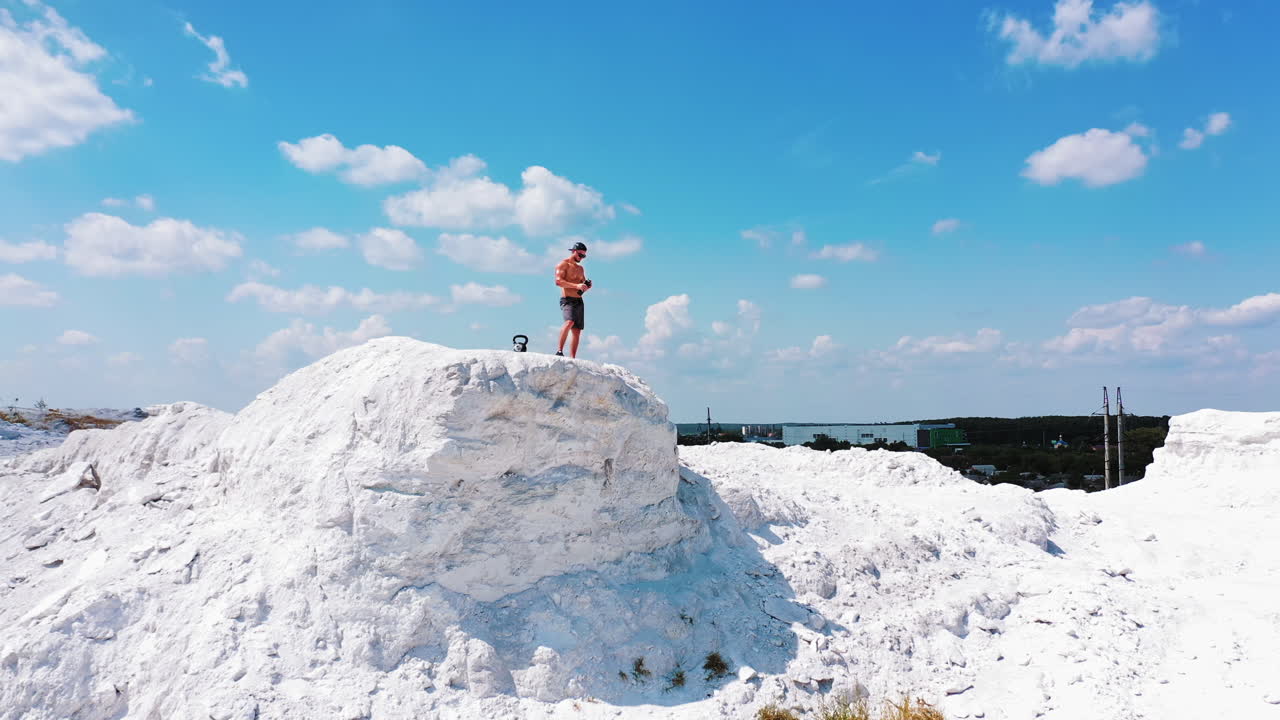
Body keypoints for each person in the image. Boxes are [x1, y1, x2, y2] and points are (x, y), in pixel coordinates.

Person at [554, 241, 591, 357]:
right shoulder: (563, 264)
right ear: (573, 251)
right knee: (569, 322)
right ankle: (559, 351)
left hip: (579, 300)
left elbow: (582, 284)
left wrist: (586, 286)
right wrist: (576, 286)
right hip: (567, 299)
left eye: (584, 256)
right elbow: (558, 281)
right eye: (580, 255)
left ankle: (572, 357)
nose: (582, 258)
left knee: (577, 330)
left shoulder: (580, 269)